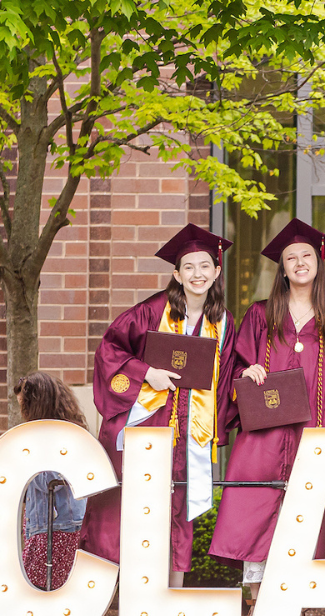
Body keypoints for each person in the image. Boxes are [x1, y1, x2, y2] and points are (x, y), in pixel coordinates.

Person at [210, 220, 325, 616]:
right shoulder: (261, 316)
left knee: (304, 521)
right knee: (256, 518)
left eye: (307, 256)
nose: (300, 263)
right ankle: (256, 608)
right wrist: (245, 377)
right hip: (262, 439)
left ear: (318, 264)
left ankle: (293, 612)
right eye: (291, 258)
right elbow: (234, 367)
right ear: (281, 269)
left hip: (311, 441)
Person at [81, 223, 234, 586]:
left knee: (178, 508)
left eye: (204, 266)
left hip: (187, 434)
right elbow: (109, 350)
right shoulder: (151, 311)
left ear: (216, 271)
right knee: (124, 505)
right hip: (146, 424)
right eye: (189, 267)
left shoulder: (223, 322)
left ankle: (173, 596)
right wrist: (146, 372)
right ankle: (107, 591)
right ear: (177, 274)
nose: (198, 274)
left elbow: (227, 374)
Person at [0, 374, 91, 616]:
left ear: (36, 404)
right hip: (55, 527)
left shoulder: (52, 439)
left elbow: (51, 479)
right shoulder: (72, 432)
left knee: (24, 607)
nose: (22, 411)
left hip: (54, 530)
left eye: (24, 404)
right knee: (55, 604)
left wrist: (25, 460)